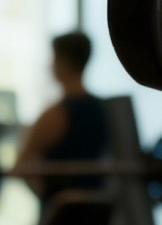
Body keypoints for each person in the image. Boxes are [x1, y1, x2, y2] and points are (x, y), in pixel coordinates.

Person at [17, 31, 108, 201]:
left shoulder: (55, 115)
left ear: (63, 61)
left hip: (63, 212)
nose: (50, 65)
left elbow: (21, 166)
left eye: (53, 58)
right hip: (99, 208)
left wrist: (47, 196)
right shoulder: (104, 110)